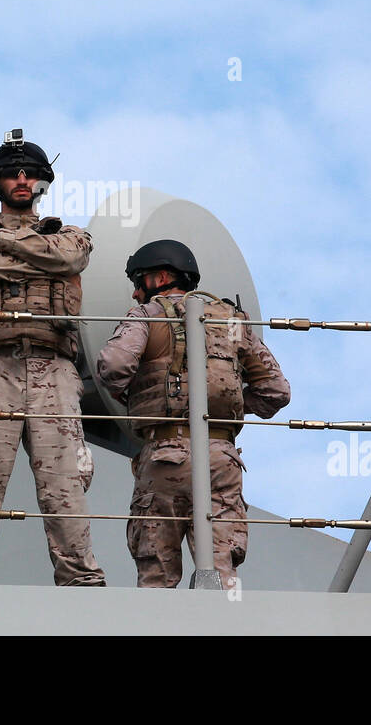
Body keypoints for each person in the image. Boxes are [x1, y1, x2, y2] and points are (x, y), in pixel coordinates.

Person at [0, 129, 106, 586]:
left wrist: (0, 246)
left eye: (31, 175)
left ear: (42, 183)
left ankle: (81, 583)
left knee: (64, 486)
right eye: (13, 174)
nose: (22, 180)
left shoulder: (69, 235)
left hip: (53, 367)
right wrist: (15, 255)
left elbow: (68, 260)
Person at [95, 239, 290, 588]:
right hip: (221, 459)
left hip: (165, 455)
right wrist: (224, 409)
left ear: (163, 277)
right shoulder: (232, 320)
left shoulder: (146, 315)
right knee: (221, 574)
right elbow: (276, 391)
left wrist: (137, 395)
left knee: (157, 574)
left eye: (140, 281)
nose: (137, 293)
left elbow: (114, 365)